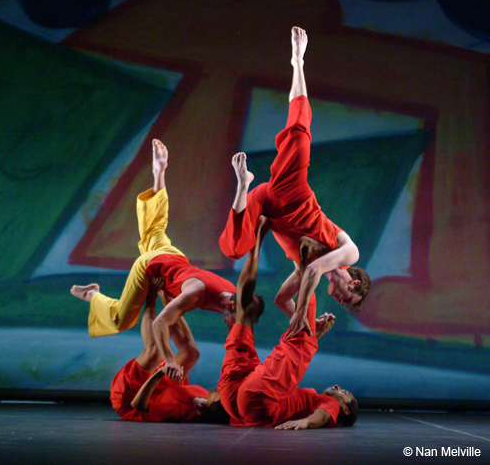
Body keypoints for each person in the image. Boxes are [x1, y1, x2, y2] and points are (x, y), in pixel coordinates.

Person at [219, 26, 370, 338]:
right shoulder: (349, 254)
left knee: (235, 250)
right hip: (292, 194)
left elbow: (280, 298)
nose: (340, 301)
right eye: (348, 299)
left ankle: (243, 184)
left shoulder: (306, 272)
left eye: (343, 304)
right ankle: (298, 62)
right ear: (354, 283)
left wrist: (307, 324)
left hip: (269, 209)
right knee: (300, 136)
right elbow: (314, 270)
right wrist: (302, 314)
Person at [71, 139, 264, 381]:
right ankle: (92, 296)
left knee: (154, 228)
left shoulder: (235, 297)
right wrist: (170, 361)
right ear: (233, 308)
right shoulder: (197, 294)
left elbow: (239, 343)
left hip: (174, 256)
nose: (237, 324)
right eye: (239, 319)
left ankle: (159, 172)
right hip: (151, 267)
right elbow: (160, 323)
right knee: (121, 319)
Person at [218, 219, 358, 429]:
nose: (338, 387)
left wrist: (306, 423)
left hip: (256, 399)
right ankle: (295, 258)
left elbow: (320, 416)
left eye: (343, 393)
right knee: (245, 311)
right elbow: (281, 302)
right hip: (238, 401)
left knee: (301, 335)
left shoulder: (328, 404)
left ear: (343, 409)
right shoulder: (308, 399)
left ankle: (298, 255)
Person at [110, 282, 228, 423]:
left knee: (155, 352)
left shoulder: (178, 409)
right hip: (159, 390)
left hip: (131, 397)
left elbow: (138, 406)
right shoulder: (205, 397)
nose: (219, 389)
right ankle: (167, 297)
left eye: (220, 394)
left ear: (215, 406)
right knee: (191, 354)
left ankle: (151, 294)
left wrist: (160, 373)